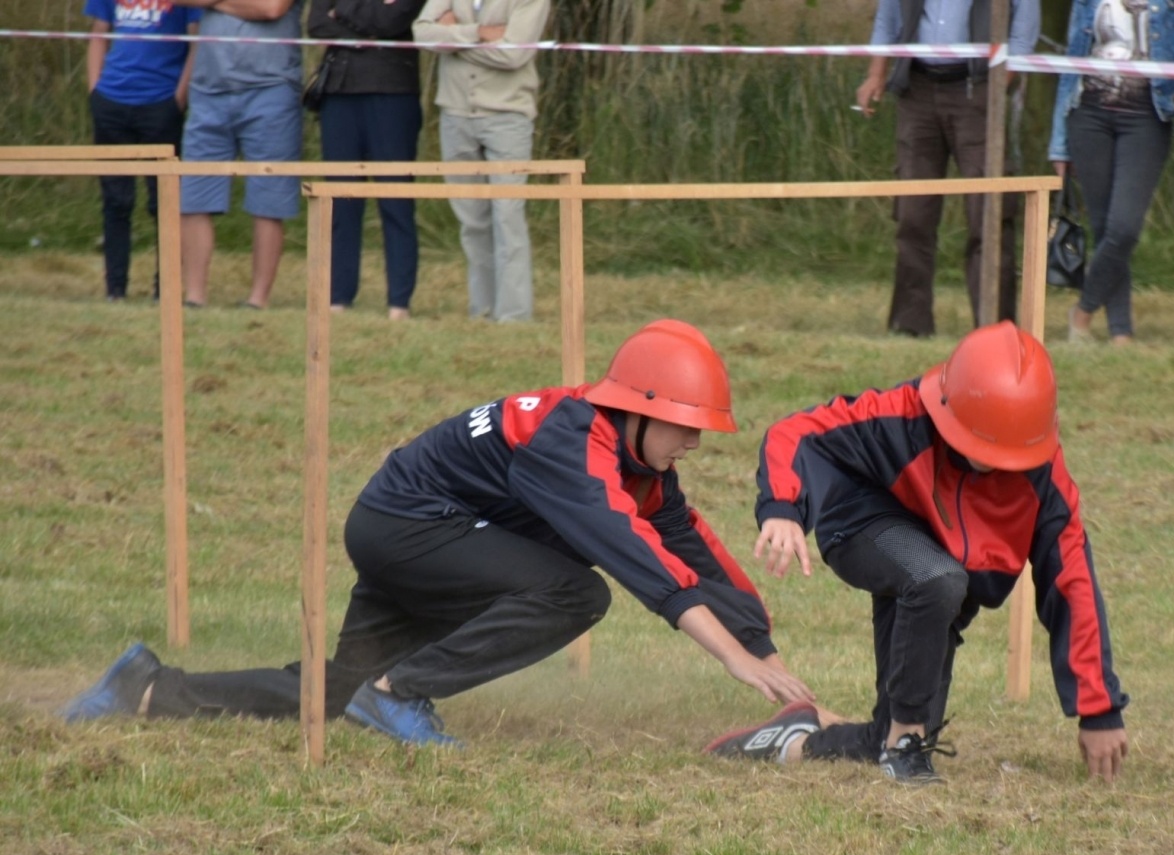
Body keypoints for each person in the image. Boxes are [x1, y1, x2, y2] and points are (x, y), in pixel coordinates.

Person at [58, 321, 814, 746]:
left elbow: (695, 555)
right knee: (573, 590)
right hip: (406, 527)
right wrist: (731, 661)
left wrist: (777, 676)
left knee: (337, 694)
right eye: (685, 428)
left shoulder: (638, 464)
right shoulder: (572, 444)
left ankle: (144, 687)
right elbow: (641, 564)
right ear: (637, 408)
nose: (694, 445)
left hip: (428, 530)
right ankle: (404, 691)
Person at [708, 322, 1129, 785]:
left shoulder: (1048, 481)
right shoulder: (902, 414)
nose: (990, 464)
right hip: (864, 523)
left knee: (892, 730)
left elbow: (1074, 588)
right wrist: (783, 507)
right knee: (936, 580)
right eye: (978, 447)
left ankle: (793, 742)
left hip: (942, 573)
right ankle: (905, 745)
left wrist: (1100, 710)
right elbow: (795, 431)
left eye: (1005, 457)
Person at [856, 0, 1041, 338]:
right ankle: (909, 325)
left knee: (989, 213)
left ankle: (996, 329)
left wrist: (1002, 82)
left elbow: (1025, 26)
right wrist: (876, 74)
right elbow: (889, 16)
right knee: (913, 213)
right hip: (918, 89)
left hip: (978, 88)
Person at [1048, 0, 1174, 345]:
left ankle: (1082, 312)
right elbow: (1071, 61)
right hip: (1087, 114)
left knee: (1124, 228)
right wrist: (1059, 143)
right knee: (1103, 227)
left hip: (1147, 115)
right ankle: (1121, 331)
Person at [413, 0, 550, 324]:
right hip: (455, 116)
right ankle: (482, 310)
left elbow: (514, 53)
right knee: (472, 221)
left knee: (507, 217)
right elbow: (421, 33)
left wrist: (451, 38)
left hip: (507, 117)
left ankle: (514, 316)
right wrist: (479, 34)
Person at [173, 0, 304, 311]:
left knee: (269, 198)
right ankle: (194, 298)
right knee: (193, 195)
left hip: (271, 86)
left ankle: (257, 300)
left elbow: (272, 8)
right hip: (207, 88)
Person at [307, 0, 429, 321]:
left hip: (392, 94)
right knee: (341, 201)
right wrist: (366, 25)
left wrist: (344, 10)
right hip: (340, 93)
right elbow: (318, 23)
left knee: (396, 198)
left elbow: (393, 20)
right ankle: (338, 296)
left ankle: (399, 302)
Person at [84, 0, 200, 303]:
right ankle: (115, 290)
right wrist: (94, 90)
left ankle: (165, 291)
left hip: (161, 103)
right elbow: (98, 32)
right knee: (116, 201)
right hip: (111, 100)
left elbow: (196, 40)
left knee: (163, 200)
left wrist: (178, 98)